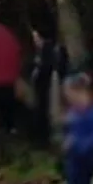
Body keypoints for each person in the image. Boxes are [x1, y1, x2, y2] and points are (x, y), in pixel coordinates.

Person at [27, 21, 68, 149]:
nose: (35, 41)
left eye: (36, 37)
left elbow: (46, 70)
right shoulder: (45, 52)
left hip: (47, 90)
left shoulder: (48, 52)